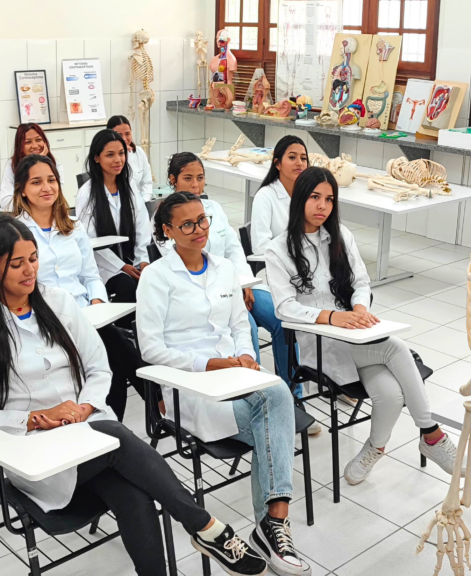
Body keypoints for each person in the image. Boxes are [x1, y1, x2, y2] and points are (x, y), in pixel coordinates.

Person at [0, 214, 267, 576]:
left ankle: (196, 536)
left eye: (33, 258)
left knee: (134, 495)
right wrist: (33, 419)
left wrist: (84, 407)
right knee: (115, 436)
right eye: (16, 263)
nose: (29, 270)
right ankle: (205, 527)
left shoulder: (58, 303)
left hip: (87, 439)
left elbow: (99, 368)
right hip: (34, 455)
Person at [137, 192, 312, 576]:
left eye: (202, 220)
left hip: (236, 375)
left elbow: (238, 326)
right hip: (190, 387)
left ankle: (273, 522)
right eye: (187, 224)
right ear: (167, 231)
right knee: (275, 420)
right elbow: (150, 349)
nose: (198, 229)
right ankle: (273, 528)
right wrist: (212, 364)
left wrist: (246, 356)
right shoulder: (156, 277)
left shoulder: (224, 268)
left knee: (276, 395)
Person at [265, 167, 459, 485]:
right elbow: (285, 308)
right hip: (321, 344)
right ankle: (431, 433)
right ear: (299, 198)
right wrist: (332, 317)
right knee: (395, 348)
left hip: (355, 336)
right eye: (315, 197)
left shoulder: (341, 236)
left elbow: (361, 283)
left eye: (329, 199)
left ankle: (374, 448)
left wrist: (358, 308)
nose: (322, 206)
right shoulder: (278, 250)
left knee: (390, 393)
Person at [10, 153, 145, 419]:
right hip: (45, 318)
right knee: (115, 349)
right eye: (36, 182)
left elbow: (91, 276)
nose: (46, 187)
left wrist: (97, 303)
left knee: (112, 351)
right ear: (22, 190)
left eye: (51, 180)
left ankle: (115, 421)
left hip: (85, 314)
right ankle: (152, 405)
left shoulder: (73, 227)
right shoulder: (14, 233)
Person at [161, 152, 298, 395]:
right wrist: (231, 288)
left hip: (241, 283)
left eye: (200, 178)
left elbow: (234, 249)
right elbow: (181, 266)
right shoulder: (168, 219)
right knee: (248, 328)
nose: (195, 185)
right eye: (188, 178)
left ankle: (292, 393)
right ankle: (251, 391)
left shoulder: (214, 209)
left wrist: (244, 284)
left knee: (281, 317)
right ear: (174, 180)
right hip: (210, 292)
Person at [75, 129, 152, 313]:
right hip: (104, 266)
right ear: (96, 158)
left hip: (133, 260)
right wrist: (121, 266)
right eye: (110, 155)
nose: (118, 160)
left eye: (121, 153)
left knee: (153, 285)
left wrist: (143, 261)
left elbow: (142, 226)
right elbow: (90, 241)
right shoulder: (86, 194)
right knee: (128, 288)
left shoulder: (129, 186)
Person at [251, 135, 309, 255]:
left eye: (303, 158)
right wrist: (295, 251)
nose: (299, 163)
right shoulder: (265, 196)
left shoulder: (309, 194)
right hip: (279, 261)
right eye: (292, 157)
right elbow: (260, 246)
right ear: (278, 164)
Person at [1, 123, 59, 210]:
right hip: (22, 214)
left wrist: (40, 161)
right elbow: (5, 202)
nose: (35, 146)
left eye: (38, 140)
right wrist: (36, 163)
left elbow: (56, 198)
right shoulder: (12, 165)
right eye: (28, 142)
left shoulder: (55, 164)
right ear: (20, 146)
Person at [108, 115, 154, 202]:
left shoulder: (138, 152)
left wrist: (143, 201)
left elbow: (147, 181)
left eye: (127, 134)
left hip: (139, 202)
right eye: (119, 135)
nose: (124, 138)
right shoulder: (105, 157)